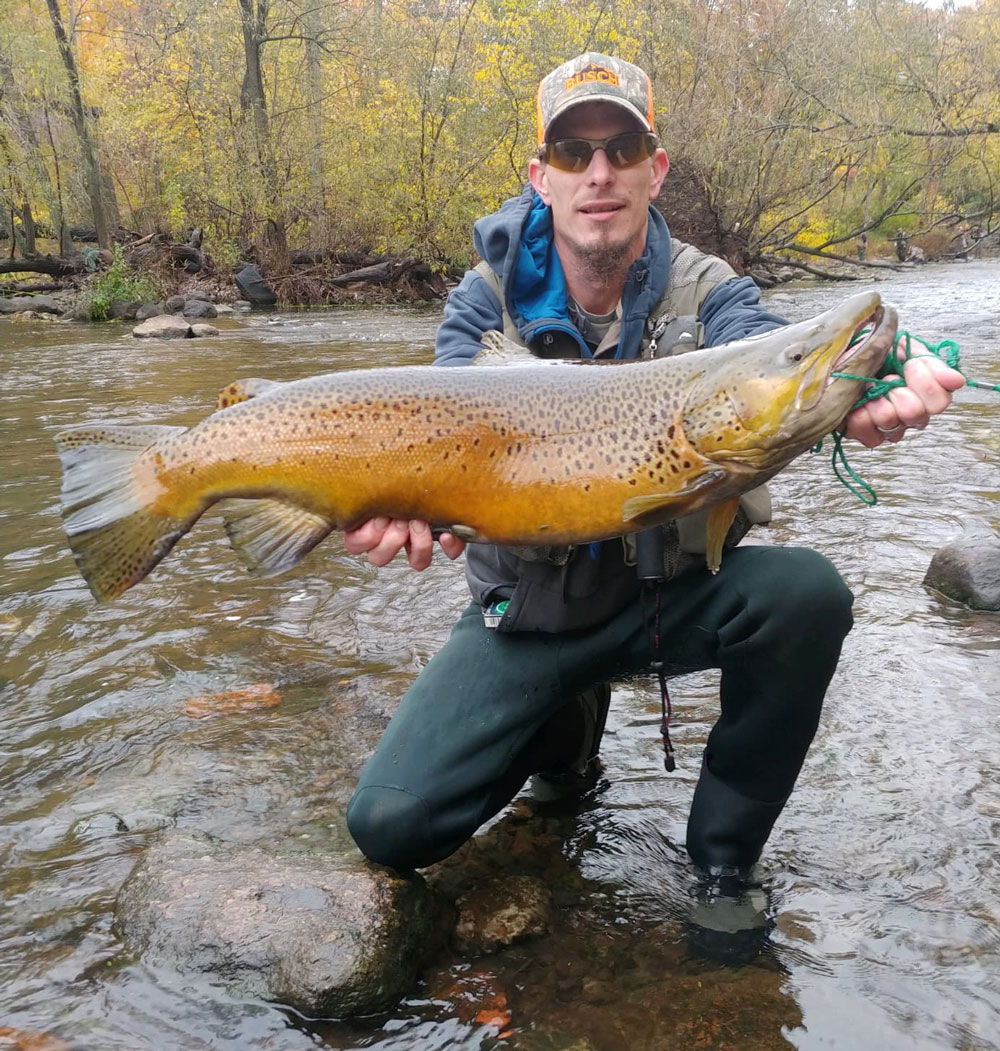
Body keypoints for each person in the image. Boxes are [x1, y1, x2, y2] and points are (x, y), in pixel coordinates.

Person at [343, 53, 964, 960]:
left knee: (807, 593)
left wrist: (865, 385)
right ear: (541, 174)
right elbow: (441, 447)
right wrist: (399, 508)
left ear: (654, 167)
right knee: (388, 828)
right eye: (574, 149)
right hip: (529, 616)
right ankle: (563, 749)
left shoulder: (714, 295)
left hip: (669, 600)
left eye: (621, 146)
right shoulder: (481, 308)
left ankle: (722, 867)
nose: (599, 172)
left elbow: (772, 359)